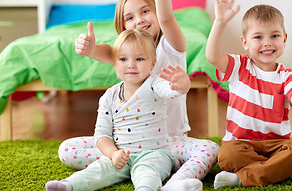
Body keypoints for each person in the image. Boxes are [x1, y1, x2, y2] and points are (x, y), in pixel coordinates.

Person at [58, 0, 219, 191]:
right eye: (130, 17)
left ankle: (174, 184)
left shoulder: (172, 47)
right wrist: (91, 49)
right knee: (66, 149)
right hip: (126, 145)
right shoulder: (126, 55)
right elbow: (107, 52)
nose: (140, 20)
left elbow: (166, 17)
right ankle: (123, 163)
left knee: (210, 149)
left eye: (145, 11)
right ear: (123, 29)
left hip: (168, 142)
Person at [46, 29, 191, 191]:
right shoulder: (109, 96)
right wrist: (113, 154)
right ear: (114, 62)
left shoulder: (154, 84)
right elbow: (102, 135)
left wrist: (182, 85)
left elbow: (170, 90)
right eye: (123, 59)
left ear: (153, 63)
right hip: (120, 155)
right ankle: (68, 185)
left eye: (139, 59)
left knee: (148, 173)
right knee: (97, 169)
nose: (131, 64)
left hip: (155, 154)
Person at [205, 0, 292, 188]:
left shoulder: (287, 74)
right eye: (258, 37)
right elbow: (212, 56)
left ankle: (243, 178)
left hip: (278, 146)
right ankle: (285, 170)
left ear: (283, 39)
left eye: (274, 36)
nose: (267, 42)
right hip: (241, 144)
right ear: (245, 43)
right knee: (226, 156)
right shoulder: (239, 66)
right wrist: (220, 22)